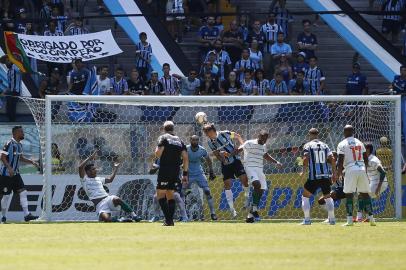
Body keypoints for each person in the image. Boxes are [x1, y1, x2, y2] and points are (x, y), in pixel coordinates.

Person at [78, 151, 141, 222]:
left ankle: (134, 216)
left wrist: (115, 168)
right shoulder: (85, 180)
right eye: (93, 169)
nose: (96, 170)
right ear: (88, 172)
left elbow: (110, 179)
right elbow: (80, 167)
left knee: (117, 199)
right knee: (107, 219)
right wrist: (90, 157)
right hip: (99, 205)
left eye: (95, 169)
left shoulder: (99, 179)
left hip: (108, 199)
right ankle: (121, 220)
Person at [203, 123, 249, 217]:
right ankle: (232, 210)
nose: (207, 135)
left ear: (212, 131)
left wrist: (242, 146)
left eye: (207, 132)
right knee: (227, 184)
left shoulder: (225, 133)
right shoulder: (210, 143)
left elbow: (237, 136)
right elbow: (216, 154)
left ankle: (247, 199)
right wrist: (222, 160)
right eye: (205, 133)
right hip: (226, 164)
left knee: (244, 180)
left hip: (235, 160)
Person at [238, 130, 282, 223]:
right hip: (249, 167)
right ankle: (254, 209)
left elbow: (266, 155)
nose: (264, 140)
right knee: (257, 185)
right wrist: (229, 156)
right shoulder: (249, 143)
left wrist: (276, 162)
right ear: (259, 136)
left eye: (266, 139)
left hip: (259, 169)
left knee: (261, 190)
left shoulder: (264, 146)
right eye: (263, 138)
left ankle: (250, 216)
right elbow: (238, 150)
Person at [337, 125, 376, 226]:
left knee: (349, 194)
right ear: (353, 132)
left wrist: (339, 173)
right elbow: (365, 158)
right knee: (365, 194)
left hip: (350, 169)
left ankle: (350, 220)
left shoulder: (342, 144)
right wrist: (365, 170)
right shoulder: (360, 142)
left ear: (344, 132)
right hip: (362, 168)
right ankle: (371, 219)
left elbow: (340, 160)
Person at [0, 126, 39, 222]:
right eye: (21, 132)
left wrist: (31, 162)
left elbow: (20, 158)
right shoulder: (9, 143)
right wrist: (9, 168)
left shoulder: (19, 145)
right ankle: (3, 216)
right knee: (6, 196)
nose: (23, 133)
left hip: (16, 174)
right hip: (6, 175)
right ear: (16, 133)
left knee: (23, 192)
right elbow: (2, 156)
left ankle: (27, 215)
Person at [154, 121, 189, 226]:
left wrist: (157, 152)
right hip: (176, 171)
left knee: (160, 194)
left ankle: (168, 220)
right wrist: (185, 174)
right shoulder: (180, 140)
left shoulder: (163, 138)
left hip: (165, 169)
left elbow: (158, 153)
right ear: (173, 129)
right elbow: (186, 158)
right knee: (170, 194)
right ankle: (170, 221)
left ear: (164, 128)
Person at [300, 128, 336, 225]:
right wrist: (334, 173)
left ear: (309, 135)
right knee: (328, 197)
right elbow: (332, 158)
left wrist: (303, 170)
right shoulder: (325, 145)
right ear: (318, 134)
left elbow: (305, 158)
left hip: (314, 177)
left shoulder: (308, 145)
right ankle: (332, 220)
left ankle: (307, 220)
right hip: (325, 175)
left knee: (305, 196)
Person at [185, 135, 217, 220]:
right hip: (188, 174)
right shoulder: (186, 149)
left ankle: (213, 213)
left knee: (207, 191)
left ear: (198, 141)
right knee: (181, 193)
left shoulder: (202, 150)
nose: (195, 141)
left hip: (199, 173)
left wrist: (211, 171)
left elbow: (208, 159)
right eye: (193, 140)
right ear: (190, 140)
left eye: (196, 140)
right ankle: (182, 215)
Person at [355, 143, 388, 222]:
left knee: (362, 195)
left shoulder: (373, 160)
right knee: (363, 195)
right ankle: (368, 218)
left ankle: (359, 217)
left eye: (363, 148)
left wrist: (378, 188)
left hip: (380, 183)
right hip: (373, 182)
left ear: (368, 150)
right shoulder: (364, 159)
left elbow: (383, 172)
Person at [261, 12, 283, 79]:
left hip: (276, 51)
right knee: (266, 67)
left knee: (276, 68)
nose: (271, 17)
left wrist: (276, 41)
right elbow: (261, 37)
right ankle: (266, 80)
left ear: (275, 17)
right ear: (268, 17)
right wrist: (267, 41)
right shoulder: (264, 26)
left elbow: (281, 37)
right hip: (266, 50)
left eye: (273, 16)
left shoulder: (278, 26)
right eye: (270, 16)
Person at [1, 55, 22, 122]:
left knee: (12, 108)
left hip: (15, 91)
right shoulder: (9, 71)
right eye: (5, 62)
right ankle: (11, 121)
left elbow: (20, 62)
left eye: (7, 61)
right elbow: (10, 85)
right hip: (10, 91)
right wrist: (4, 92)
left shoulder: (16, 68)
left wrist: (14, 57)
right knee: (8, 108)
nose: (6, 63)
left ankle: (12, 121)